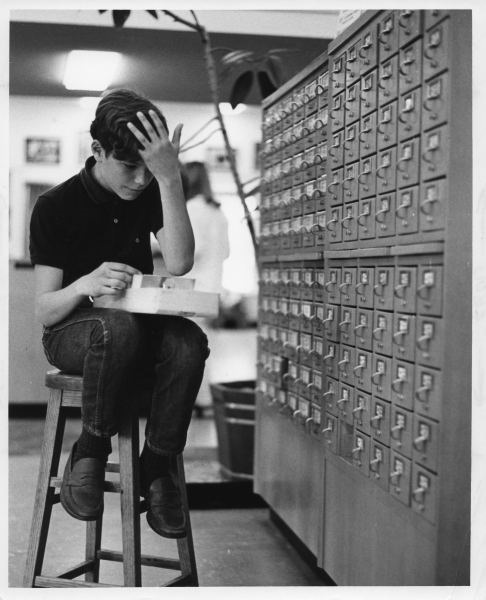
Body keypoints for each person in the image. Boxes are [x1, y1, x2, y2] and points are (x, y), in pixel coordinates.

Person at [29, 89, 209, 539]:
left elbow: (182, 261)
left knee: (188, 340)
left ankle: (158, 463)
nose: (140, 179)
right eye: (130, 166)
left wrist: (171, 180)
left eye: (150, 168)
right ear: (98, 151)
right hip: (73, 332)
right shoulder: (55, 205)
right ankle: (91, 447)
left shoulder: (152, 189)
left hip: (134, 329)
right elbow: (45, 311)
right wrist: (84, 284)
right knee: (118, 329)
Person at [182, 161, 230, 295]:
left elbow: (192, 250)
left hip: (194, 288)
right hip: (214, 288)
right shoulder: (218, 212)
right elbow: (226, 252)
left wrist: (160, 248)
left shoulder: (190, 209)